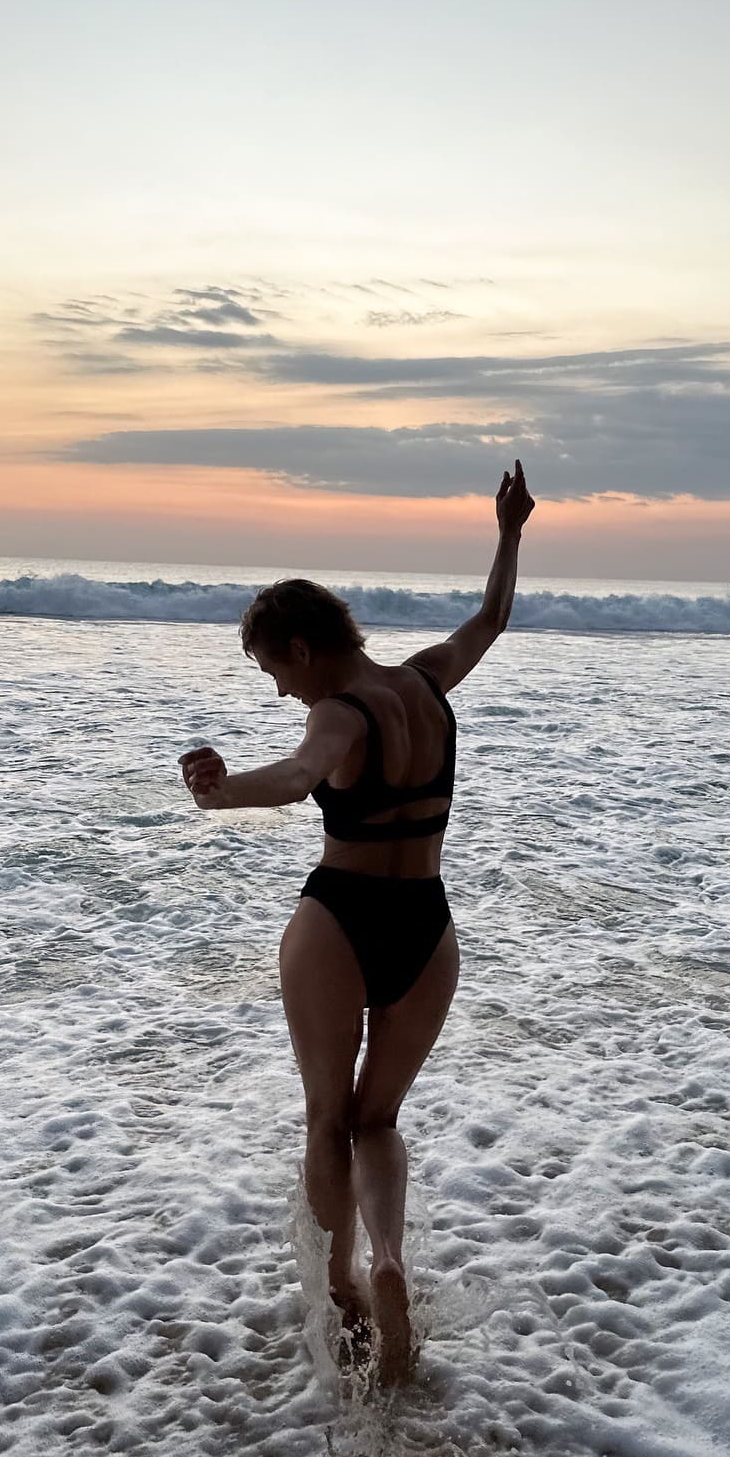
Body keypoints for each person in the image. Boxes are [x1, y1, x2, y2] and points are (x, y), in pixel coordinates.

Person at [180, 462, 535, 1384]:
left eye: (274, 671)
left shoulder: (339, 713)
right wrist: (509, 531)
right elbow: (491, 620)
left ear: (302, 649)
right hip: (428, 925)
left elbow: (301, 772)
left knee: (327, 1117)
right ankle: (391, 1260)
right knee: (380, 1118)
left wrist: (221, 793)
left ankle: (340, 1287)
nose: (280, 692)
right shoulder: (425, 684)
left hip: (340, 918)